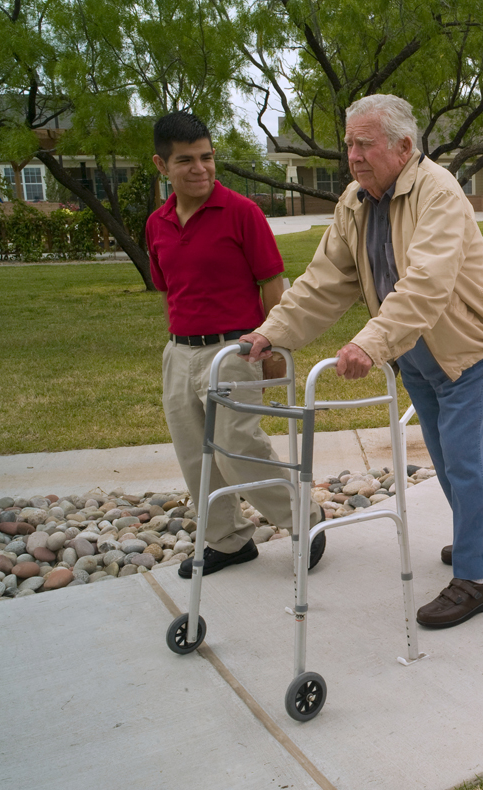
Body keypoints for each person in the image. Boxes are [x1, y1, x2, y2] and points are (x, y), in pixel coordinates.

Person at [241, 94, 483, 628]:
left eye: (363, 144)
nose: (353, 155)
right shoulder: (355, 201)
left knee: (466, 458)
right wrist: (272, 332)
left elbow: (426, 284)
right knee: (453, 459)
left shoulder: (438, 192)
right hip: (413, 349)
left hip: (468, 345)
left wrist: (369, 343)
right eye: (348, 144)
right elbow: (325, 280)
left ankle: (477, 578)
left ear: (403, 147)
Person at [147, 111, 323, 579]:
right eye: (186, 160)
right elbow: (169, 289)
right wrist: (178, 350)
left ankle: (305, 521)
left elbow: (272, 283)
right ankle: (227, 541)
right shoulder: (157, 223)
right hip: (179, 353)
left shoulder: (242, 213)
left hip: (235, 351)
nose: (200, 168)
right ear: (162, 166)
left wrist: (275, 349)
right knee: (193, 453)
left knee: (235, 447)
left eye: (206, 157)